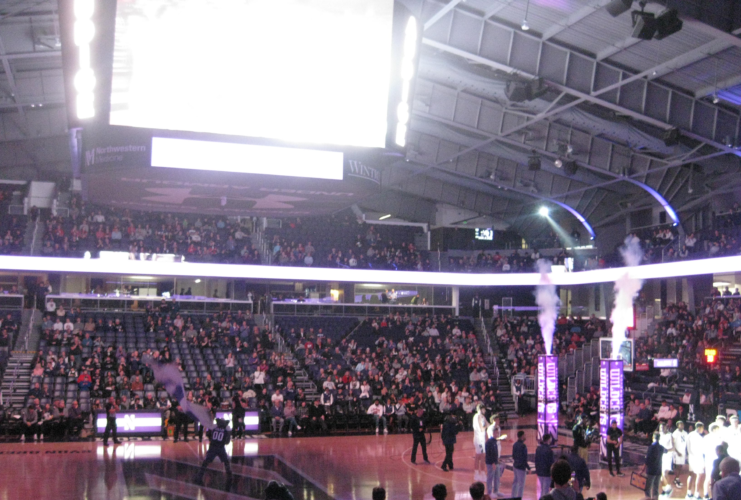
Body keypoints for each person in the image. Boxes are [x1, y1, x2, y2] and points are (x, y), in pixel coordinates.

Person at [194, 418, 233, 491]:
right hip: (221, 448)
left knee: (206, 462)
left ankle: (200, 475)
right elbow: (227, 442)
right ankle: (230, 476)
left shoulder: (214, 428)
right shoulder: (226, 430)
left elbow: (208, 434)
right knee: (226, 461)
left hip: (213, 447)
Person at [703, 423, 723, 499]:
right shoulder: (707, 438)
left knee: (715, 477)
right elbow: (704, 450)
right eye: (717, 429)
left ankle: (713, 495)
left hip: (717, 461)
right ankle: (706, 493)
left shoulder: (719, 438)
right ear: (714, 429)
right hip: (709, 460)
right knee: (708, 477)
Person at [686, 421, 706, 499]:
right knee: (699, 475)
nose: (703, 430)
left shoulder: (689, 435)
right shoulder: (700, 437)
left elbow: (687, 447)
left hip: (691, 457)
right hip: (698, 458)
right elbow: (703, 449)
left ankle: (688, 492)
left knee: (691, 474)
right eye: (702, 428)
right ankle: (697, 493)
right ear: (699, 428)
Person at [643, 432, 665, 500]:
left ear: (653, 438)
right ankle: (655, 498)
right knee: (656, 487)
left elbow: (648, 459)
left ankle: (648, 498)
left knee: (648, 486)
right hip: (658, 469)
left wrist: (643, 469)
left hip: (651, 470)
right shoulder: (661, 448)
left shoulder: (651, 447)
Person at [535, 434, 555, 499]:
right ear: (549, 440)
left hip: (540, 472)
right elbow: (551, 463)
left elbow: (536, 460)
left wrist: (537, 470)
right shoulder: (549, 450)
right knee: (545, 490)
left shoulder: (538, 449)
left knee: (542, 489)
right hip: (547, 473)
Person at [512, 430, 531, 498]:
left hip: (515, 466)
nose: (525, 436)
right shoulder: (523, 446)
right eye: (524, 435)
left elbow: (513, 456)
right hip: (521, 468)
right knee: (521, 485)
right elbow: (524, 459)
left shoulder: (515, 444)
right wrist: (528, 468)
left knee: (515, 482)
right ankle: (519, 497)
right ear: (522, 436)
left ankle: (513, 496)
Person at [658, 423, 675, 496]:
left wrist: (667, 450)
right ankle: (665, 488)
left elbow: (673, 447)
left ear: (666, 427)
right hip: (660, 456)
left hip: (667, 456)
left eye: (663, 427)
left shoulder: (670, 435)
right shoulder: (659, 435)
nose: (661, 428)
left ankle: (667, 488)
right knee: (662, 473)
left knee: (665, 473)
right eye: (660, 427)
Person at [672, 420, 688, 491]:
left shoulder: (685, 433)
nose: (682, 426)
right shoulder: (675, 433)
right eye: (680, 424)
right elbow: (673, 444)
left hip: (683, 452)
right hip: (677, 452)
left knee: (681, 466)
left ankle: (676, 478)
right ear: (677, 425)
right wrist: (677, 451)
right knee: (677, 466)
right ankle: (677, 479)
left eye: (682, 424)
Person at [485, 427, 501, 497]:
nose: (497, 434)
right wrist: (493, 463)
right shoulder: (489, 442)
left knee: (497, 477)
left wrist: (497, 460)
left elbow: (495, 452)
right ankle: (489, 492)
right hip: (491, 463)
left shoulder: (495, 441)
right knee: (490, 477)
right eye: (496, 432)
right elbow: (489, 453)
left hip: (496, 462)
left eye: (498, 432)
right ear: (493, 433)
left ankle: (496, 491)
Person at [473, 404, 488, 477]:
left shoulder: (482, 417)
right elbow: (482, 428)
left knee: (480, 456)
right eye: (483, 409)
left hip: (482, 439)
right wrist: (486, 426)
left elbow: (488, 424)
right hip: (478, 439)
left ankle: (479, 473)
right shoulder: (477, 416)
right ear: (480, 409)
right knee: (480, 456)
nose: (485, 410)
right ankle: (479, 473)